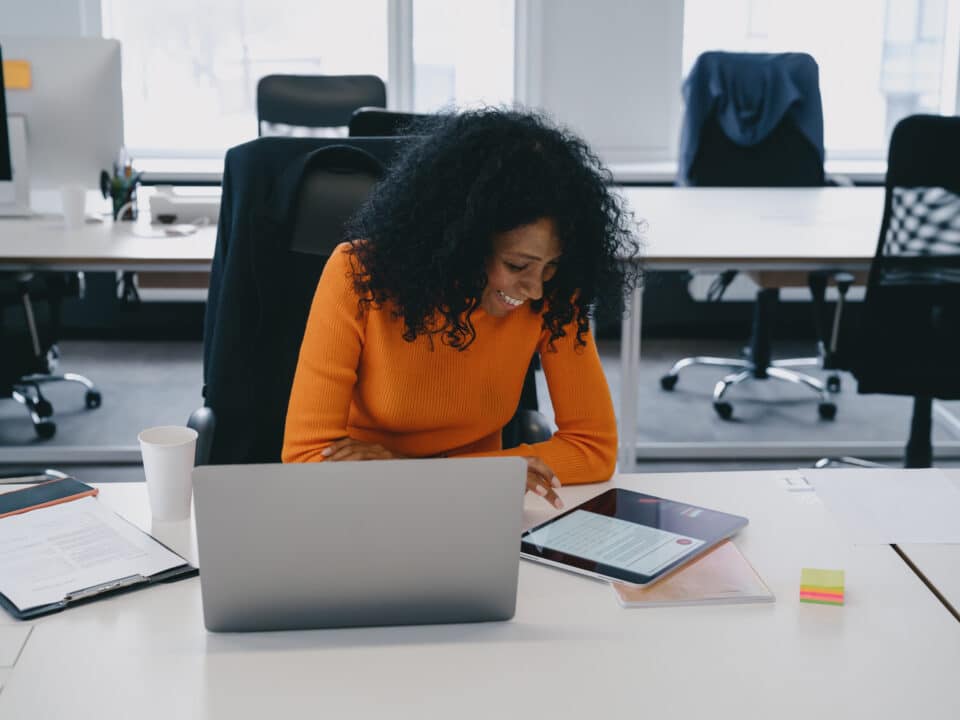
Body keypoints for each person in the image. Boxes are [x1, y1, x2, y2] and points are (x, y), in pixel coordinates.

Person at [282, 108, 640, 509]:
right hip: (361, 503)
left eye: (551, 265)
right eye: (517, 265)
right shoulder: (357, 273)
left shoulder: (554, 294)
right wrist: (482, 474)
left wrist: (437, 475)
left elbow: (594, 448)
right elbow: (307, 456)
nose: (536, 289)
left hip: (474, 510)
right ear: (463, 242)